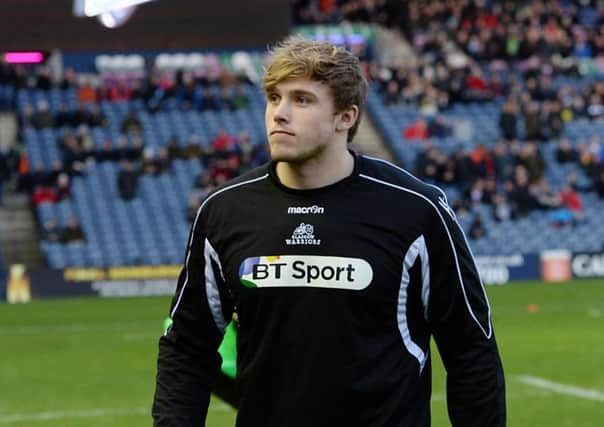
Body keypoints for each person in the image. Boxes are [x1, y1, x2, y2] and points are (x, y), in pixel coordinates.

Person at [153, 36, 506, 427]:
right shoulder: (224, 212)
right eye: (274, 97)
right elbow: (185, 347)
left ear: (346, 116)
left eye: (302, 100)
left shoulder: (416, 211)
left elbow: (470, 350)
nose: (279, 113)